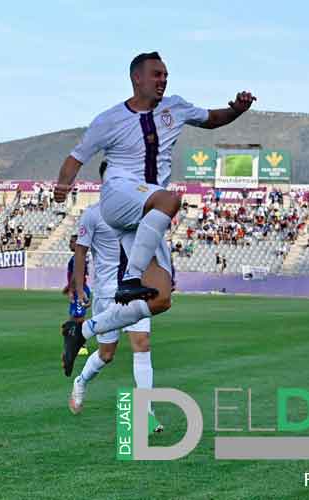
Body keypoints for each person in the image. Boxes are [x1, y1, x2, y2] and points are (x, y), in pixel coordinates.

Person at [54, 51, 256, 374]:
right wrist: (62, 187)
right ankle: (130, 278)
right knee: (170, 199)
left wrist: (236, 110)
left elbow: (211, 118)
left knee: (161, 299)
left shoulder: (174, 107)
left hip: (145, 213)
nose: (163, 80)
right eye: (156, 74)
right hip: (119, 196)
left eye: (165, 75)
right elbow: (76, 157)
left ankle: (82, 331)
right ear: (137, 78)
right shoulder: (109, 119)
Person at [67, 162, 163, 433]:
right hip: (107, 294)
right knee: (107, 354)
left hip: (135, 290)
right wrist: (78, 288)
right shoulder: (93, 214)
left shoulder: (141, 213)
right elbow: (81, 253)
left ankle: (146, 412)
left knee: (142, 344)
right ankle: (82, 381)